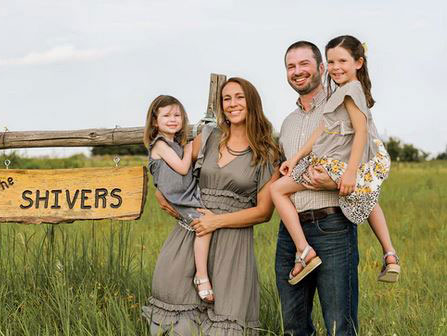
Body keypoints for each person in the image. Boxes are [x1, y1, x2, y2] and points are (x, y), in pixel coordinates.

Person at [143, 77, 279, 336]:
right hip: (190, 235)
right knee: (177, 313)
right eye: (226, 98)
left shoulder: (267, 152)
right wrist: (162, 196)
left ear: (252, 102)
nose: (232, 104)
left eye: (239, 97)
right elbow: (169, 168)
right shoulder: (208, 137)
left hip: (232, 242)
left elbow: (264, 212)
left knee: (226, 319)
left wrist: (216, 221)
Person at [271, 35, 399, 286]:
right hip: (346, 162)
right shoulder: (341, 93)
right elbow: (321, 130)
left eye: (342, 60)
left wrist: (350, 172)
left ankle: (304, 252)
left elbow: (361, 131)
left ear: (359, 63)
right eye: (331, 61)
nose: (335, 67)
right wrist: (295, 158)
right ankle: (390, 254)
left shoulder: (351, 91)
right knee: (366, 196)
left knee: (277, 189)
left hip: (343, 164)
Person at [274, 40, 356, 336]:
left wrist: (335, 181)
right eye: (291, 66)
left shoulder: (344, 109)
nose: (297, 72)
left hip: (332, 226)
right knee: (293, 325)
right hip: (290, 233)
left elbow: (370, 169)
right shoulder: (287, 123)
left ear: (322, 68)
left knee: (339, 325)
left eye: (304, 64)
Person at [143, 95, 215, 303]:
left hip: (189, 191)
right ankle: (201, 276)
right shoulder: (160, 144)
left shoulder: (174, 143)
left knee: (208, 220)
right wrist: (189, 148)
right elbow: (183, 167)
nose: (173, 119)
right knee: (204, 226)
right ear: (155, 121)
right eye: (166, 115)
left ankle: (200, 271)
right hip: (179, 197)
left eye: (177, 115)